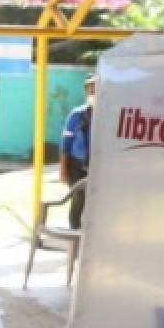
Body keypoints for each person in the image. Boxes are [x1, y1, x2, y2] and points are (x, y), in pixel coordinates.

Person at [59, 74, 95, 229]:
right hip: (77, 166)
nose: (93, 91)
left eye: (96, 87)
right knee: (78, 199)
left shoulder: (110, 115)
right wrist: (63, 170)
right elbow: (65, 145)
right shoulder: (77, 115)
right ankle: (74, 233)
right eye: (90, 88)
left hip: (98, 166)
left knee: (95, 203)